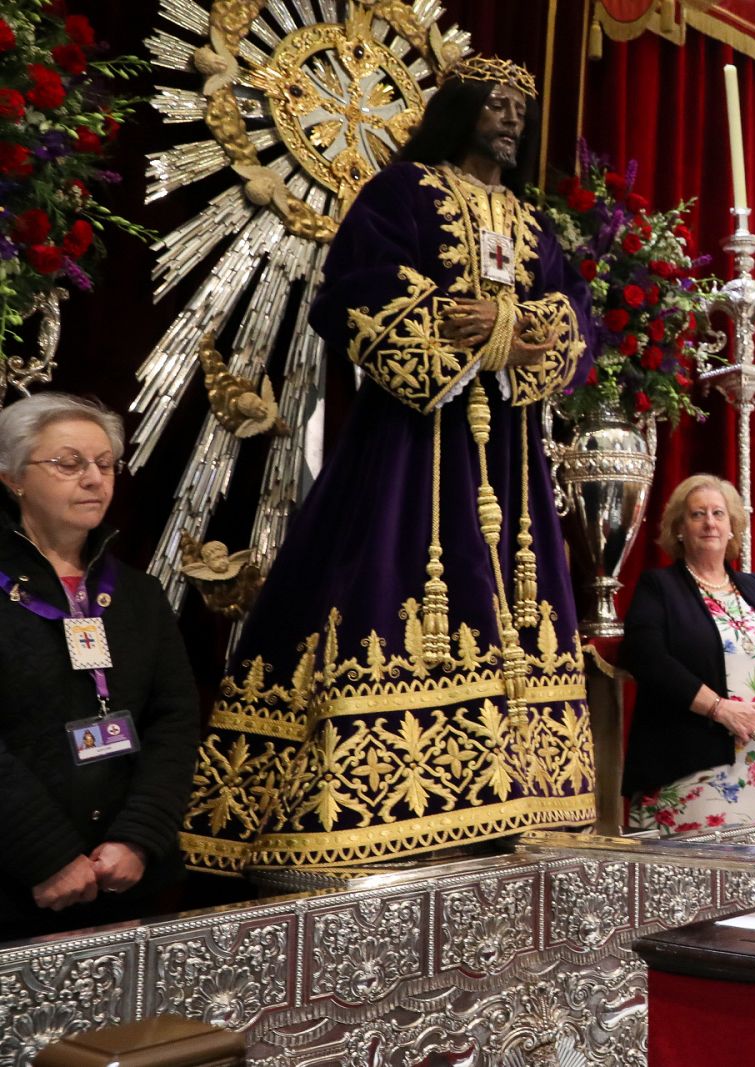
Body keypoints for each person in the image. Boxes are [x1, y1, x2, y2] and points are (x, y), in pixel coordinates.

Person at [180, 56, 597, 876]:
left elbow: (572, 316)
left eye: (521, 107)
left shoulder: (529, 219)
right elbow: (350, 293)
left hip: (508, 458)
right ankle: (357, 805)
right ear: (460, 109)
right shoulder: (402, 192)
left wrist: (515, 327)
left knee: (518, 599)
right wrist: (455, 326)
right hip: (414, 443)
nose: (511, 119)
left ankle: (514, 790)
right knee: (378, 577)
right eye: (496, 105)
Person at [0, 393, 199, 941]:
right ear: (13, 477)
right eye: (68, 463)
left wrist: (137, 838)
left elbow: (174, 723)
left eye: (105, 464)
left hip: (127, 881)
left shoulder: (138, 594)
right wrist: (48, 856)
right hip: (15, 886)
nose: (94, 479)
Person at [620, 475, 755, 832]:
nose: (710, 522)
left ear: (732, 526)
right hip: (685, 766)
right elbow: (646, 657)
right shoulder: (659, 587)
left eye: (718, 513)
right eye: (697, 514)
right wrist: (720, 709)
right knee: (688, 880)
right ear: (679, 529)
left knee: (750, 877)